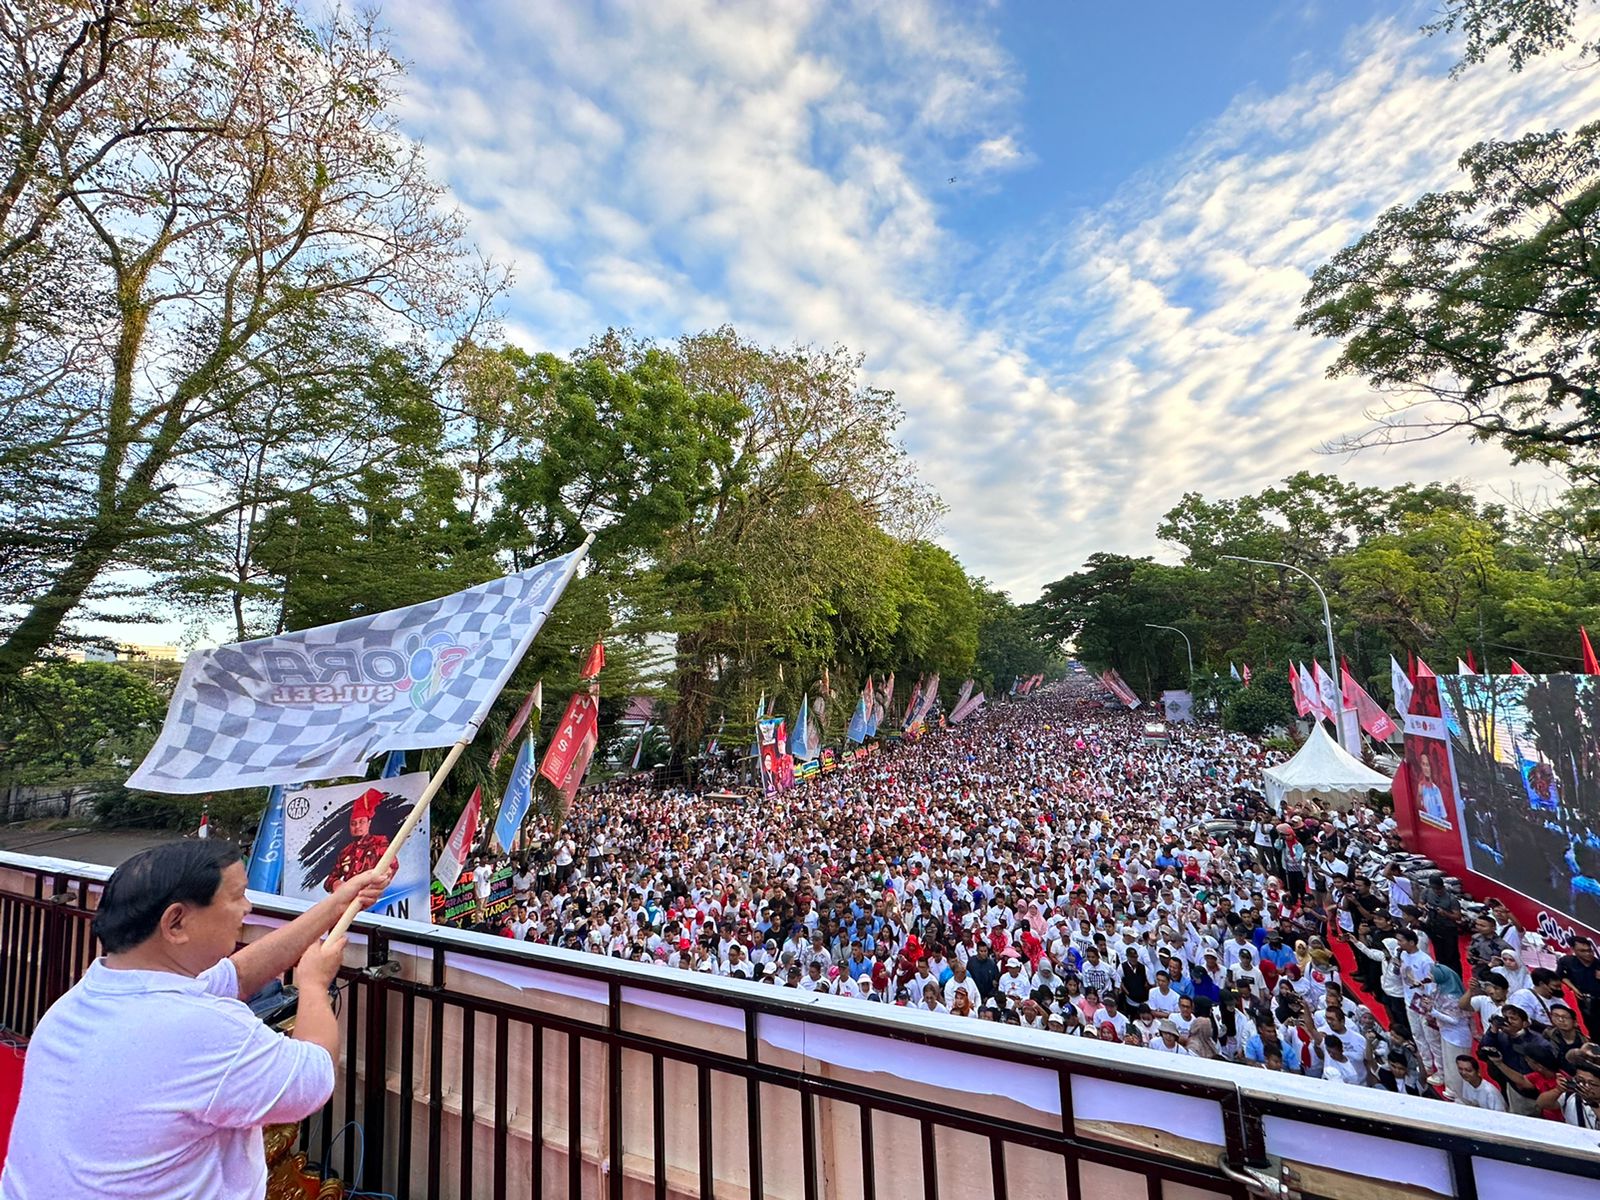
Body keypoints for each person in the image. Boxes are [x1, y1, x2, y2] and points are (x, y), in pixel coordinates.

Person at [0, 840, 394, 1199]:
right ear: (176, 923)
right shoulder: (201, 1030)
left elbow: (236, 976)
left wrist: (338, 904)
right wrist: (312, 985)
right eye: (237, 896)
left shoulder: (81, 1001)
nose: (248, 908)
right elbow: (315, 1075)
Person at [323, 786, 389, 890]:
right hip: (348, 901)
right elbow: (329, 880)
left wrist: (377, 886)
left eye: (361, 822)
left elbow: (391, 866)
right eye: (353, 824)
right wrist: (336, 884)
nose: (357, 826)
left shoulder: (379, 842)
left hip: (372, 898)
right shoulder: (345, 852)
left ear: (369, 823)